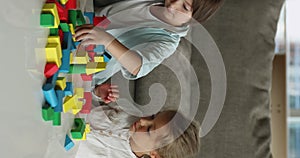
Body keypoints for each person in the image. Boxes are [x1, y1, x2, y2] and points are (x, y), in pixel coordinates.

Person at [74, 0, 224, 87]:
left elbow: (138, 66)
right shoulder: (155, 2)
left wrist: (107, 40)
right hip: (77, 24)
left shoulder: (168, 42)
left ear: (193, 20)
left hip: (82, 68)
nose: (172, 5)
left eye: (184, 7)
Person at [75, 83, 200, 158]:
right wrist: (98, 92)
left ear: (154, 154)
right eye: (153, 116)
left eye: (149, 129)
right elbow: (90, 101)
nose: (143, 120)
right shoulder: (129, 114)